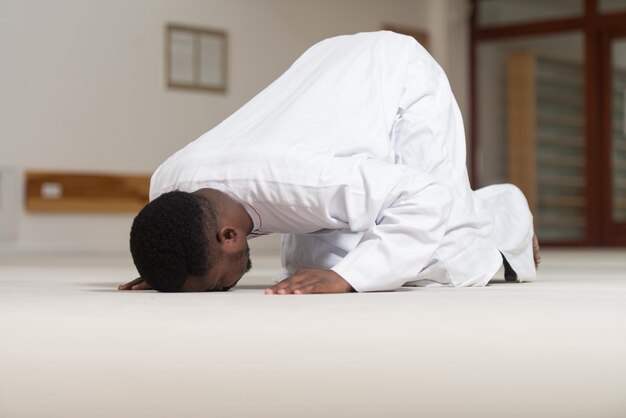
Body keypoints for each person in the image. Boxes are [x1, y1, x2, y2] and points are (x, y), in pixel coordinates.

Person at [119, 31, 540, 295]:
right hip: (328, 67)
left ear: (228, 236)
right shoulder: (167, 188)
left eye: (214, 285)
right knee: (314, 269)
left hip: (397, 75)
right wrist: (166, 273)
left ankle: (505, 214)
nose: (222, 288)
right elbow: (168, 234)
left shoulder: (306, 181)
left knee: (439, 254)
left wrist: (349, 279)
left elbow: (425, 197)